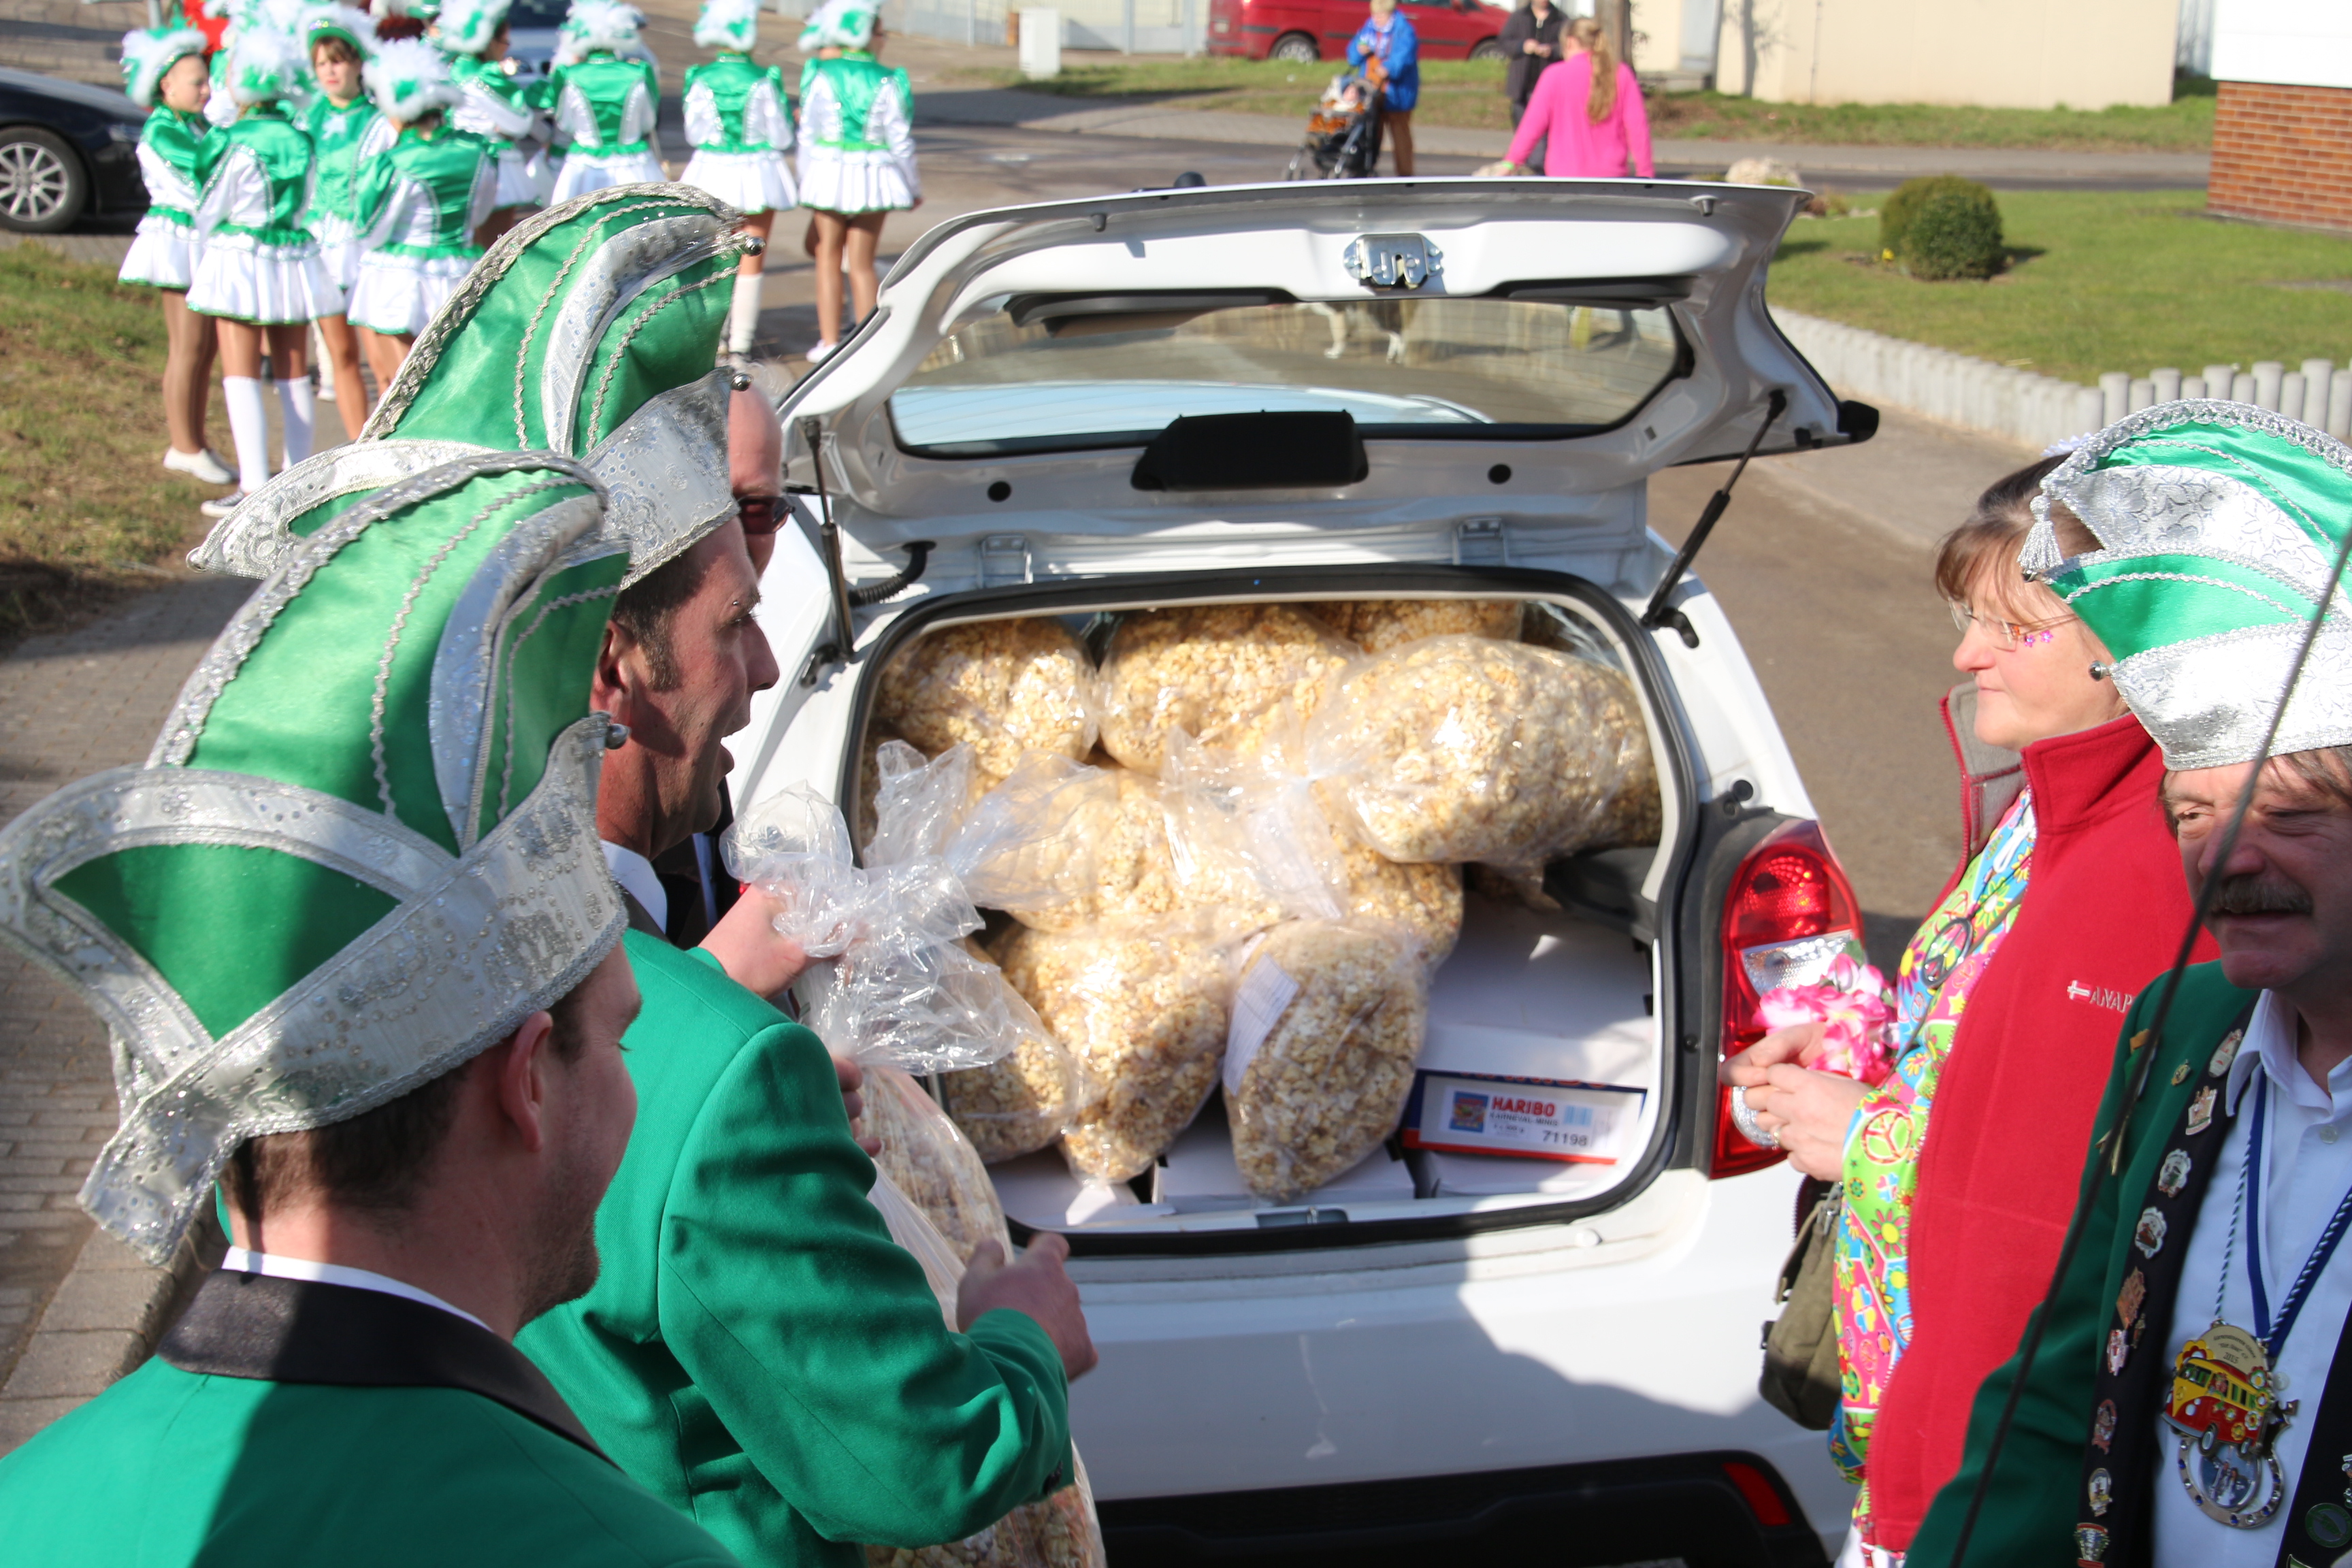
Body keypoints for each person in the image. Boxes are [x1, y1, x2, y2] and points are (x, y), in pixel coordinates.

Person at [0, 381, 736, 1567]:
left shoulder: (25, 1503)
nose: (633, 1086)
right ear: (526, 1081)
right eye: (617, 1038)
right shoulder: (621, 1550)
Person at [1723, 457, 2212, 1563]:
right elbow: (1986, 1041)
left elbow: (2082, 1203)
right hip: (1927, 1409)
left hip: (1992, 1461)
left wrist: (1869, 1134)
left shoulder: (2163, 856)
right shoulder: (2047, 806)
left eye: (2014, 628)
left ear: (2132, 647)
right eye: (1967, 618)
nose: (1965, 655)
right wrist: (1862, 1051)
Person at [1906, 404, 2352, 1568]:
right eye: (2192, 813)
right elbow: (2058, 1396)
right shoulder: (2185, 1028)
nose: (2228, 858)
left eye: (2290, 813)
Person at [186, 23, 341, 519]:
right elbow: (312, 197)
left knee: (241, 368)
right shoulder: (301, 137)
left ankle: (253, 485)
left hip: (241, 253)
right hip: (293, 253)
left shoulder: (231, 138)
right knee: (294, 368)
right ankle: (299, 486)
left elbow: (208, 204)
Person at [116, 22, 232, 490]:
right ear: (166, 86)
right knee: (188, 346)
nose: (207, 91)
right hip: (178, 241)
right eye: (197, 83)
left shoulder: (196, 124)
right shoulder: (163, 130)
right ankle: (183, 446)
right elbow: (204, 172)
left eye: (207, 82)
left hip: (201, 238)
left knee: (205, 348)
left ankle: (196, 441)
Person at [346, 38, 498, 388]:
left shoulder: (395, 162)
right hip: (461, 269)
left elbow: (370, 230)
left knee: (403, 390)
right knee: (454, 383)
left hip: (400, 278)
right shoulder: (477, 152)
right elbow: (480, 213)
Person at [794, 0, 914, 365]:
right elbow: (900, 140)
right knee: (862, 263)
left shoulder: (820, 71)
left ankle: (829, 342)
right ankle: (866, 344)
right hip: (875, 176)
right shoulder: (890, 78)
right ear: (868, 34)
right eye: (882, 33)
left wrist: (804, 179)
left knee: (827, 257)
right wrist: (912, 185)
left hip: (828, 173)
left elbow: (808, 133)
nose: (885, 39)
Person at [681, 0, 796, 361]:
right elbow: (780, 136)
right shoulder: (765, 77)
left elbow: (694, 133)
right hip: (757, 173)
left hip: (711, 171)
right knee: (752, 257)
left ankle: (715, 340)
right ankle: (742, 345)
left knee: (715, 256)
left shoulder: (700, 77)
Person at [299, 4, 388, 441]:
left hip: (367, 244)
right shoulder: (305, 119)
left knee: (385, 360)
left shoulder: (379, 120)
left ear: (357, 64)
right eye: (321, 64)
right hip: (321, 243)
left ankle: (389, 444)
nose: (330, 72)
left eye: (337, 61)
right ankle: (357, 448)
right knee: (341, 355)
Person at [434, 0, 545, 243]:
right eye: (505, 40)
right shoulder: (485, 75)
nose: (507, 47)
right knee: (494, 249)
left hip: (457, 163)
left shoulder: (453, 68)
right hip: (493, 169)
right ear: (489, 41)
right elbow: (520, 123)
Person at [1499, 16, 1653, 178]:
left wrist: (1510, 163)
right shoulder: (1621, 74)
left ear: (1570, 42)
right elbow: (1637, 127)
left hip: (1564, 174)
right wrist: (1645, 173)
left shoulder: (1554, 76)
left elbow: (1532, 127)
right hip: (1611, 175)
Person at [548, 0, 664, 201]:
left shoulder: (570, 75)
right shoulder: (638, 72)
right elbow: (648, 123)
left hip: (584, 167)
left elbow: (566, 125)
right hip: (634, 166)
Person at [1346, 0, 1418, 176]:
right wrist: (1358, 51)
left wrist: (1388, 68)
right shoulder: (1368, 29)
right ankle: (1365, 169)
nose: (1376, 18)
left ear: (1391, 14)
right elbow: (1353, 56)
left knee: (1400, 137)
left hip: (1396, 94)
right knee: (1370, 134)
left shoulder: (1404, 30)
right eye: (1374, 14)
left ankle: (1405, 176)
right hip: (1371, 92)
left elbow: (1403, 56)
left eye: (1381, 15)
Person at [1497, 0, 1564, 152]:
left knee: (1543, 132)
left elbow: (1568, 46)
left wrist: (1552, 50)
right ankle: (1524, 159)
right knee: (1522, 130)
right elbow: (1504, 42)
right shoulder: (1519, 17)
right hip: (1521, 85)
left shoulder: (1560, 18)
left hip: (1546, 86)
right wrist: (1522, 46)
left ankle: (1537, 163)